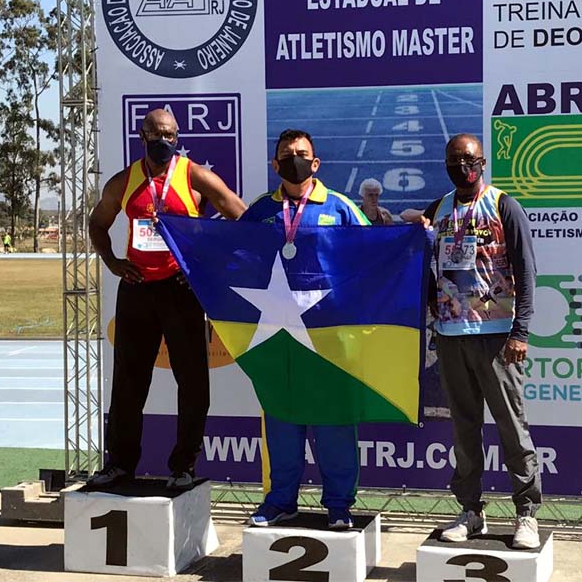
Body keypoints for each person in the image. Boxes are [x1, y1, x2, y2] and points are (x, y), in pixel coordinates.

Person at [86, 108, 246, 490]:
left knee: (192, 381)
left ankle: (184, 466)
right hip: (137, 288)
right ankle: (120, 464)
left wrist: (212, 257)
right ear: (142, 136)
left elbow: (238, 212)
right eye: (157, 134)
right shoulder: (124, 181)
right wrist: (112, 262)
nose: (164, 141)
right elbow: (97, 223)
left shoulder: (193, 175)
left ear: (178, 138)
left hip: (180, 289)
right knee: (128, 381)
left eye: (171, 135)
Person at [411, 134, 541, 549]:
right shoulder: (437, 210)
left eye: (469, 159)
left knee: (511, 427)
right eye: (454, 160)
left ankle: (526, 513)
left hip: (497, 336)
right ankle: (471, 511)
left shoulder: (504, 206)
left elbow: (526, 271)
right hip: (451, 336)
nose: (462, 166)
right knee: (463, 430)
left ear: (482, 162)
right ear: (446, 164)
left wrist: (520, 331)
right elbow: (422, 263)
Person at [241, 128, 370, 530]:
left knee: (334, 422)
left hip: (329, 339)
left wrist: (417, 238)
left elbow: (376, 251)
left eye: (301, 154)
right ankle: (281, 501)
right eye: (286, 154)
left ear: (315, 163)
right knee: (282, 420)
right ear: (274, 164)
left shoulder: (340, 207)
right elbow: (230, 254)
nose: (293, 160)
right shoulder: (260, 211)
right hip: (276, 338)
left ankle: (339, 505)